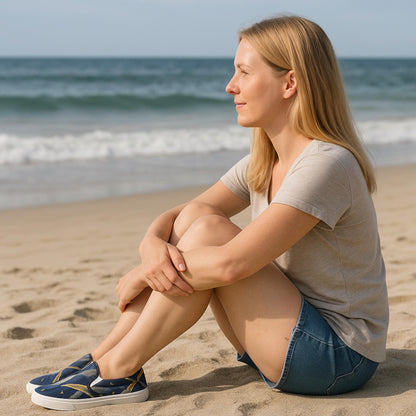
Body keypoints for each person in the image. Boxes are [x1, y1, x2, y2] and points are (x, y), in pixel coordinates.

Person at [28, 15, 389, 411]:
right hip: (284, 333)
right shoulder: (264, 159)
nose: (230, 86)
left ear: (289, 83)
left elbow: (233, 265)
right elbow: (180, 215)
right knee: (197, 220)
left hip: (338, 357)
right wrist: (150, 248)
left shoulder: (326, 164)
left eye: (244, 72)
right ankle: (103, 358)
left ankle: (119, 367)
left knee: (211, 236)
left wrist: (145, 274)